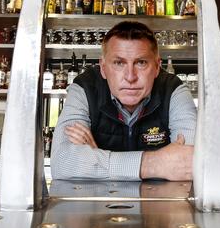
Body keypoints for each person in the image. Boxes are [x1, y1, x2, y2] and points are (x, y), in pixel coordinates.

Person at [50, 21, 196, 181]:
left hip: (160, 204)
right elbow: (62, 164)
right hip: (98, 204)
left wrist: (96, 157)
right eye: (119, 63)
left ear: (157, 67)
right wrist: (154, 164)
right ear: (103, 68)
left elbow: (191, 161)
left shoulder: (173, 89)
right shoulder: (85, 88)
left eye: (141, 63)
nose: (130, 77)